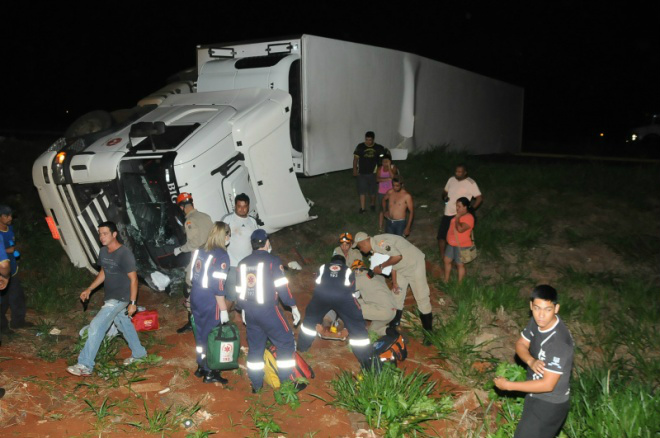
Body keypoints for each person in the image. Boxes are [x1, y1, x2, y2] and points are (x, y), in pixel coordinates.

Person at [67, 221, 147, 376]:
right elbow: (104, 273)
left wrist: (132, 302)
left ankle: (85, 365)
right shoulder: (103, 252)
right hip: (110, 295)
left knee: (96, 326)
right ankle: (139, 354)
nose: (101, 237)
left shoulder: (124, 254)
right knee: (124, 324)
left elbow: (134, 279)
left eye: (105, 233)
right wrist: (89, 289)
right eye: (100, 233)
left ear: (114, 234)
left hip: (121, 297)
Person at [494, 285, 574, 438]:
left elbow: (547, 385)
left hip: (550, 404)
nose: (541, 315)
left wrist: (508, 386)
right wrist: (530, 361)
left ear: (556, 308)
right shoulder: (536, 322)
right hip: (535, 394)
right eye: (537, 308)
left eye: (548, 309)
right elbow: (521, 344)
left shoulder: (559, 343)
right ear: (531, 306)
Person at [236, 229, 301, 392]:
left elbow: (239, 289)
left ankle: (256, 386)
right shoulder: (272, 261)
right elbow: (282, 287)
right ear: (266, 242)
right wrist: (292, 305)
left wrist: (243, 308)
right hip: (268, 311)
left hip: (250, 312)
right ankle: (286, 384)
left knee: (256, 349)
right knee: (286, 343)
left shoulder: (242, 263)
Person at [297, 255, 377, 369]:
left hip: (321, 296)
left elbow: (317, 282)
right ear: (343, 263)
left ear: (332, 262)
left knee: (310, 320)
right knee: (356, 324)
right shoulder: (348, 270)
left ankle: (302, 348)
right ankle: (366, 360)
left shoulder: (323, 267)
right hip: (343, 297)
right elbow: (352, 289)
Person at [353, 232, 433, 343]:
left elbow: (397, 257)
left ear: (363, 242)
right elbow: (392, 262)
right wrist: (394, 282)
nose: (360, 250)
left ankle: (429, 333)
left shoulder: (380, 243)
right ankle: (394, 327)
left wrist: (381, 266)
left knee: (421, 297)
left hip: (414, 265)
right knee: (396, 296)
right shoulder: (374, 248)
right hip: (400, 268)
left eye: (359, 247)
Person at [189, 222, 232, 384]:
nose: (229, 238)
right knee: (211, 335)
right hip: (209, 299)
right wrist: (223, 310)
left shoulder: (200, 249)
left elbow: (192, 273)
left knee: (200, 332)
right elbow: (218, 286)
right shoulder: (221, 256)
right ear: (224, 236)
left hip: (196, 294)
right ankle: (210, 371)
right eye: (228, 235)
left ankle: (201, 364)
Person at [173, 192, 214, 334]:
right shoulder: (206, 216)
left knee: (188, 287)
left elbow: (193, 243)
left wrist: (180, 249)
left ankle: (193, 321)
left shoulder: (189, 221)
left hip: (198, 257)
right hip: (211, 256)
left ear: (182, 207)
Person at [437, 164, 482, 259]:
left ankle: (457, 259)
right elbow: (445, 191)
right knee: (441, 236)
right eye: (456, 171)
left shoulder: (471, 183)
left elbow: (479, 198)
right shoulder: (451, 179)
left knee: (456, 238)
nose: (457, 173)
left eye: (460, 171)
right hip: (448, 212)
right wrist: (444, 197)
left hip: (459, 214)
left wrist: (471, 209)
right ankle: (443, 257)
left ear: (465, 172)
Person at [221, 193, 259, 308]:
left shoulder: (252, 222)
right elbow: (219, 239)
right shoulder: (228, 219)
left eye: (245, 206)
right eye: (239, 206)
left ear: (248, 206)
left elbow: (257, 242)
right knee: (231, 296)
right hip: (232, 264)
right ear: (235, 206)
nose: (242, 209)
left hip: (248, 265)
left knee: (246, 294)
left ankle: (240, 317)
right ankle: (221, 322)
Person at [0, 205, 32, 330]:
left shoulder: (10, 229)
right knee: (2, 302)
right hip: (2, 273)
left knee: (17, 297)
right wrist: (9, 250)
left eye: (11, 215)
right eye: (6, 215)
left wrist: (12, 252)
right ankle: (3, 329)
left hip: (13, 270)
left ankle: (18, 322)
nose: (10, 218)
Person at [350, 260, 397, 337]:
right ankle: (392, 332)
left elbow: (344, 291)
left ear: (356, 271)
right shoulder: (379, 277)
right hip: (392, 312)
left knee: (350, 307)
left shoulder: (360, 278)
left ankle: (352, 331)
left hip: (382, 310)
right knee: (373, 331)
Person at [353, 131, 387, 213]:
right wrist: (354, 169)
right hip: (362, 173)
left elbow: (383, 158)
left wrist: (382, 170)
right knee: (362, 190)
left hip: (373, 173)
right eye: (366, 139)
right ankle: (363, 208)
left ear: (373, 140)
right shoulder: (360, 147)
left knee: (372, 191)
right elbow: (355, 159)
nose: (368, 141)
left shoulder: (378, 148)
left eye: (370, 140)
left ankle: (372, 204)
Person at [443, 197, 475, 283]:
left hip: (461, 244)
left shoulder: (469, 217)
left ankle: (460, 285)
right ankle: (446, 280)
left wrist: (457, 218)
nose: (457, 208)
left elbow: (460, 229)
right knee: (447, 260)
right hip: (451, 243)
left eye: (459, 206)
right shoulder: (459, 215)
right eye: (456, 205)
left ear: (465, 207)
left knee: (459, 264)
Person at [376, 155, 399, 220]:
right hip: (381, 191)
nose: (385, 162)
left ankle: (392, 220)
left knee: (391, 207)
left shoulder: (393, 167)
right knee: (382, 208)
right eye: (384, 161)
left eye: (387, 161)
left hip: (391, 191)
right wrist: (388, 179)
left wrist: (389, 167)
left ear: (390, 161)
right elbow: (377, 179)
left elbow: (393, 177)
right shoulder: (380, 168)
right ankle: (381, 224)